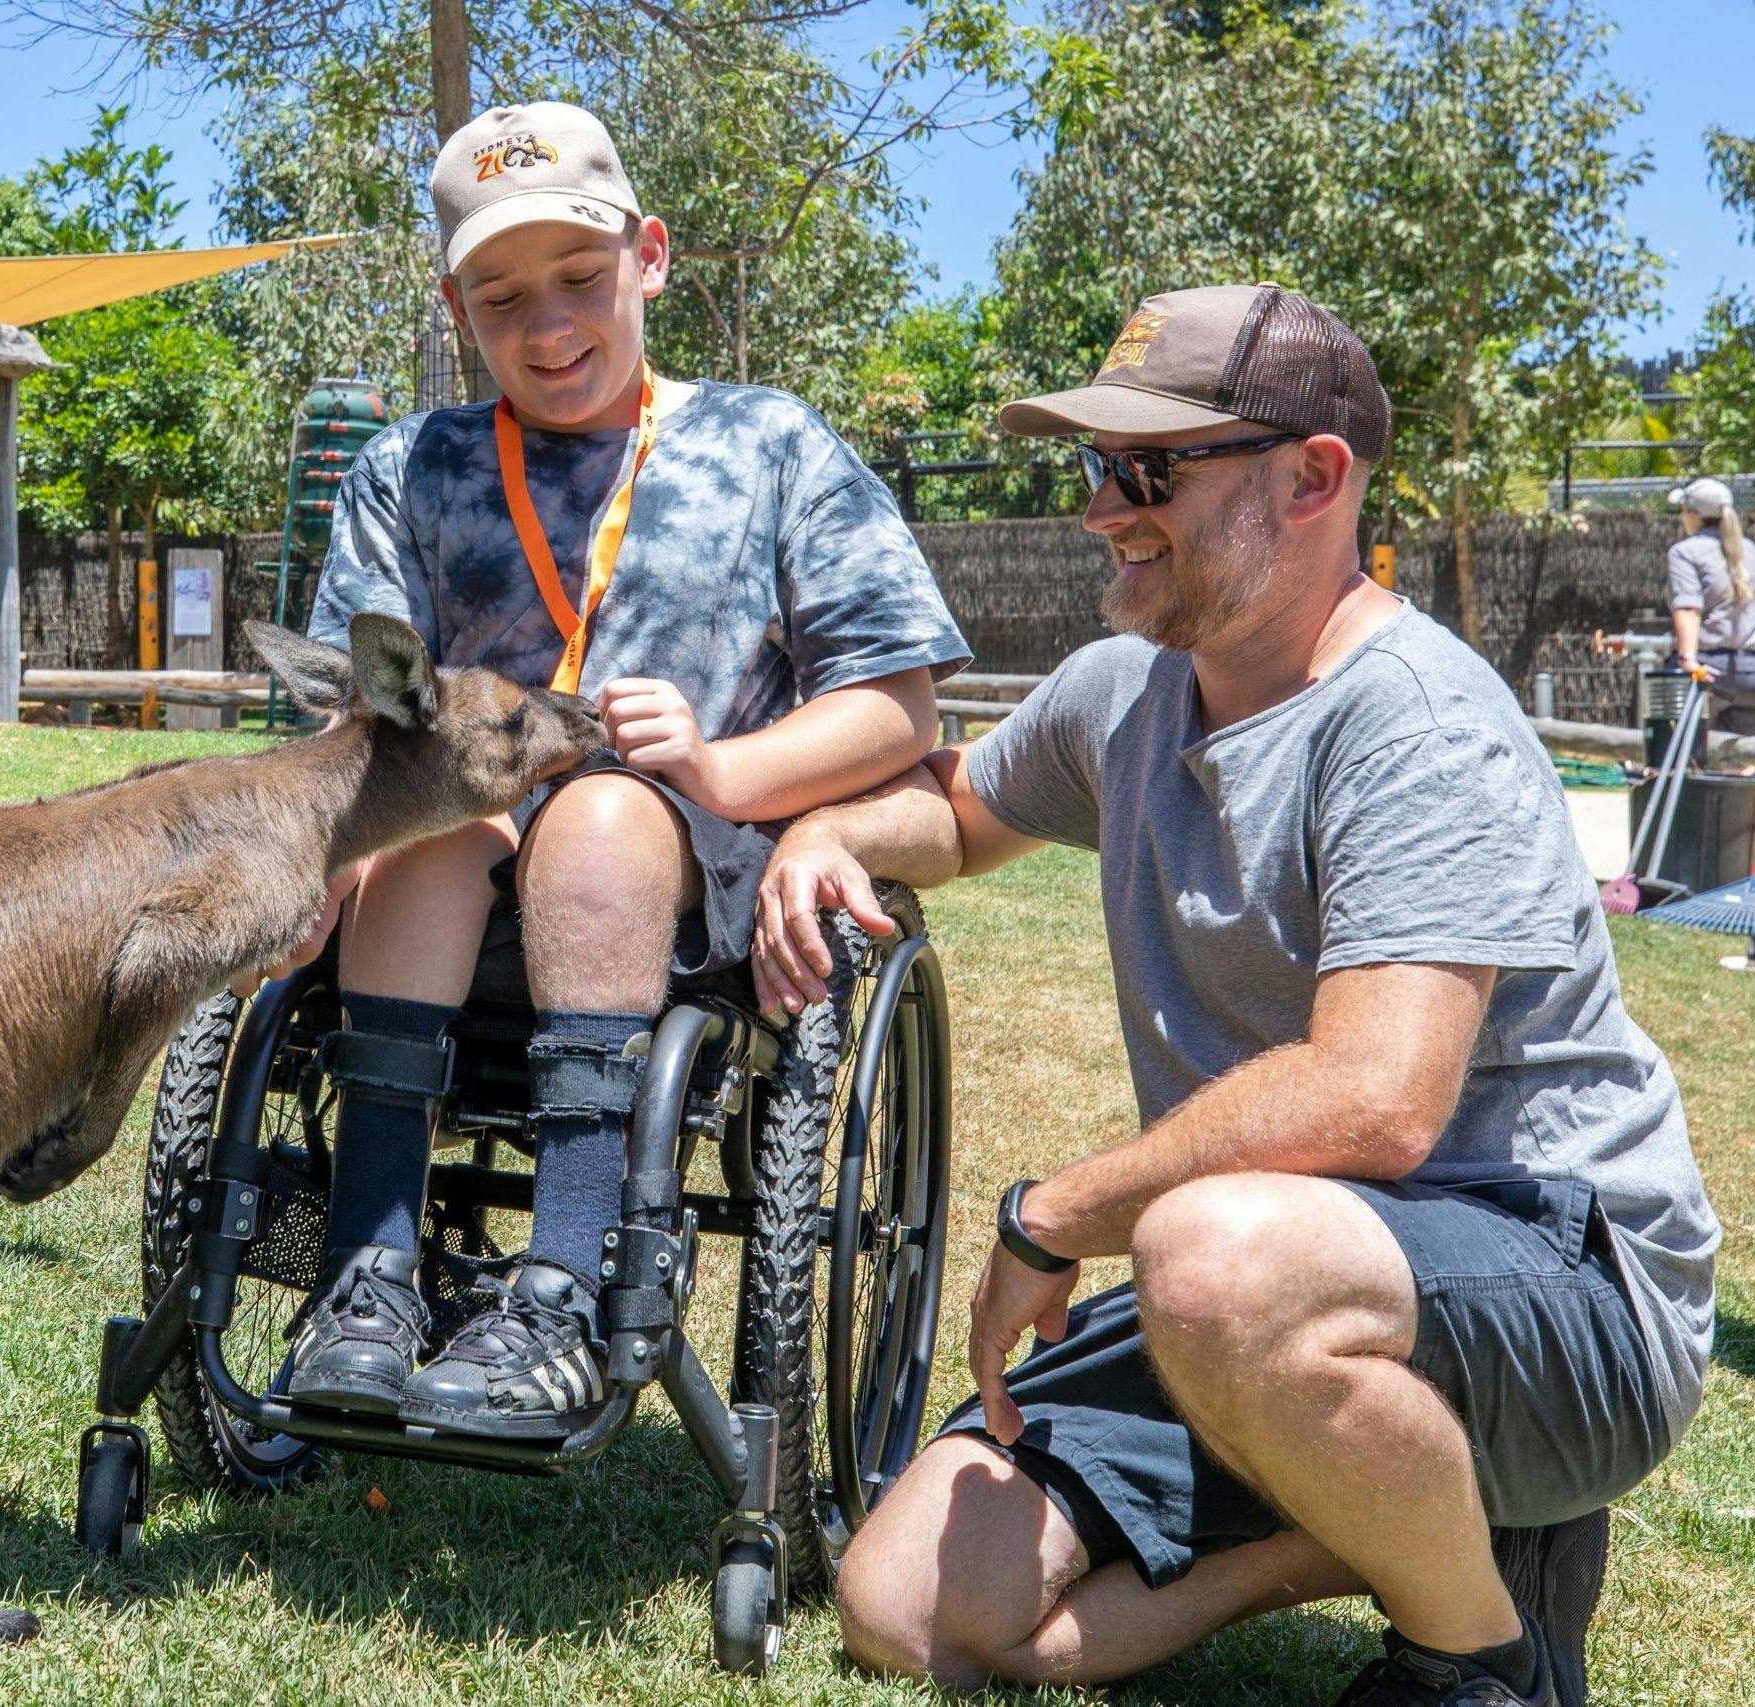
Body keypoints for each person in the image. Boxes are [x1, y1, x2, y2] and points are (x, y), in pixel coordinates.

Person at [756, 286, 1715, 1706]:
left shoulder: (1416, 720)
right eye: (1096, 467)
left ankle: (1483, 1659)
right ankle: (1388, 1523)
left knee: (1205, 1251)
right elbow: (958, 815)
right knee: (907, 1609)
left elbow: (1375, 1098)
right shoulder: (1124, 690)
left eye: (1148, 471)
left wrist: (1052, 1212)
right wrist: (832, 833)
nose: (1101, 509)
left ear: (1313, 476)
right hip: (1274, 1286)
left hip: (1567, 1293)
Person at [285, 101, 969, 1439]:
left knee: (600, 809)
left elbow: (900, 703)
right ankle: (368, 1273)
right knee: (429, 823)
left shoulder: (770, 447)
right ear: (454, 307)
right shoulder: (408, 470)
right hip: (448, 895)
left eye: (581, 282)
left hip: (687, 899)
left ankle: (565, 1278)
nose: (546, 329)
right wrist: (318, 859)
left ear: (649, 256)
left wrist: (721, 764)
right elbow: (349, 721)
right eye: (501, 298)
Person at [1665, 475, 1755, 738]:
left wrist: (1688, 659)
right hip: (1750, 674)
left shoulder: (1685, 552)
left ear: (1693, 515)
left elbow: (1689, 608)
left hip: (1708, 671)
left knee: (1680, 750)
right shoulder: (1751, 550)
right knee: (1738, 759)